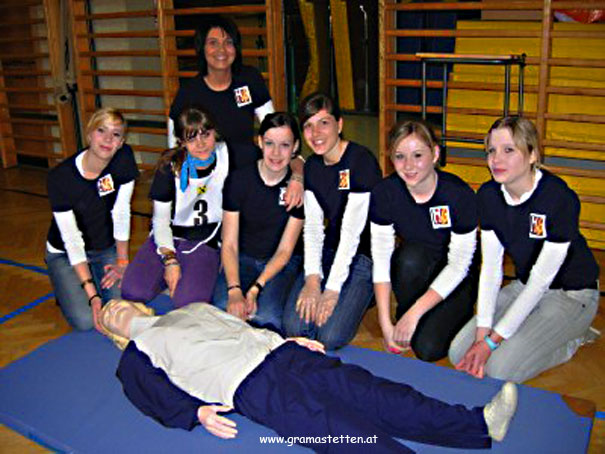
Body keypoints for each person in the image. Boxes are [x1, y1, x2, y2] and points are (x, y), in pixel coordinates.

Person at [101, 299, 518, 453]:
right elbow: (150, 394)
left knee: (374, 393)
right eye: (106, 317)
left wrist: (288, 339)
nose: (112, 309)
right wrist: (195, 413)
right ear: (114, 335)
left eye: (116, 304)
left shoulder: (189, 309)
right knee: (341, 432)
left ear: (139, 306)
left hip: (281, 354)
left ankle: (478, 424)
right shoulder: (137, 354)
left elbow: (242, 327)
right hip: (249, 385)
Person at [449, 116, 600, 383]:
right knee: (458, 352)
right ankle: (531, 335)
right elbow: (491, 270)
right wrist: (482, 335)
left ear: (532, 155)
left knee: (500, 369)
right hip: (525, 285)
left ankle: (573, 337)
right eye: (491, 150)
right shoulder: (488, 196)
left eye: (509, 150)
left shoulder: (559, 198)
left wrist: (492, 343)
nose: (496, 159)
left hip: (571, 294)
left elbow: (541, 280)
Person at [370, 120, 478, 362]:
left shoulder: (458, 195)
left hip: (457, 273)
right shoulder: (385, 193)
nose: (409, 165)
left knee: (428, 349)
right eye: (400, 156)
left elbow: (459, 264)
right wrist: (385, 324)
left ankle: (438, 313)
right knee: (408, 259)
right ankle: (412, 313)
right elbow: (381, 260)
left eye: (418, 155)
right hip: (418, 267)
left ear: (435, 154)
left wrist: (414, 313)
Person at [168, 14, 303, 208]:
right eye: (213, 43)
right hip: (207, 180)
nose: (221, 49)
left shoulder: (250, 79)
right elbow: (174, 150)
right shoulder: (189, 92)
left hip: (247, 172)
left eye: (228, 42)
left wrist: (297, 174)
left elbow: (275, 128)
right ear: (201, 48)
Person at [282, 93, 382, 350]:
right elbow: (313, 228)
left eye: (324, 123)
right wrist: (312, 279)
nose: (316, 133)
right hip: (332, 248)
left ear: (339, 124)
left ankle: (366, 292)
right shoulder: (313, 167)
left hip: (365, 255)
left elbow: (352, 233)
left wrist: (332, 290)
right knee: (295, 326)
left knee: (330, 336)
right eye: (308, 126)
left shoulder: (361, 161)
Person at [121, 106, 227, 308]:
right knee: (132, 291)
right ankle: (168, 281)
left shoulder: (228, 155)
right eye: (191, 138)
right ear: (181, 141)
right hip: (169, 235)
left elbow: (272, 155)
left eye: (206, 135)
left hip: (205, 240)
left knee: (188, 303)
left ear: (215, 133)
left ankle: (186, 283)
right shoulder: (169, 165)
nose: (201, 144)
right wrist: (169, 259)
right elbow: (160, 221)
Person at [45, 107, 138, 331]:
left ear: (121, 142)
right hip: (65, 253)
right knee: (85, 320)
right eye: (101, 130)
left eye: (115, 134)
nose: (108, 139)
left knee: (121, 303)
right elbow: (71, 238)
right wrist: (92, 295)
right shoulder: (60, 177)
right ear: (89, 134)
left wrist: (122, 263)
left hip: (103, 247)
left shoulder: (124, 158)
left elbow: (121, 212)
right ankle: (69, 282)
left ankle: (89, 279)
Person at [212, 112, 304, 332]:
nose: (276, 153)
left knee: (267, 318)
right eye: (269, 143)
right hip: (243, 257)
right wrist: (235, 289)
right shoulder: (238, 180)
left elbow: (285, 250)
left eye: (285, 145)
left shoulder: (299, 189)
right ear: (260, 141)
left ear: (295, 147)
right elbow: (229, 243)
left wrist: (255, 289)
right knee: (222, 309)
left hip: (281, 263)